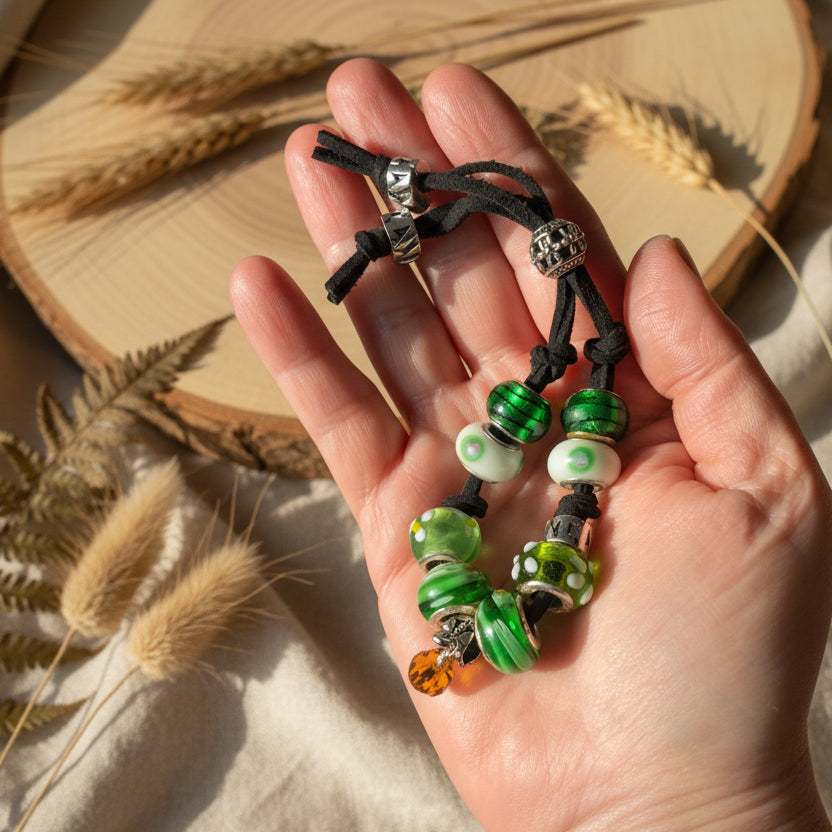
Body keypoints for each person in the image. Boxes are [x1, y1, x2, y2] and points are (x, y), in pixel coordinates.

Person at [229, 58, 832, 831]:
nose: (443, 655)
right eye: (450, 651)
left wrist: (684, 801)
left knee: (585, 373)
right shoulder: (482, 610)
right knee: (570, 385)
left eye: (445, 651)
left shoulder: (479, 611)